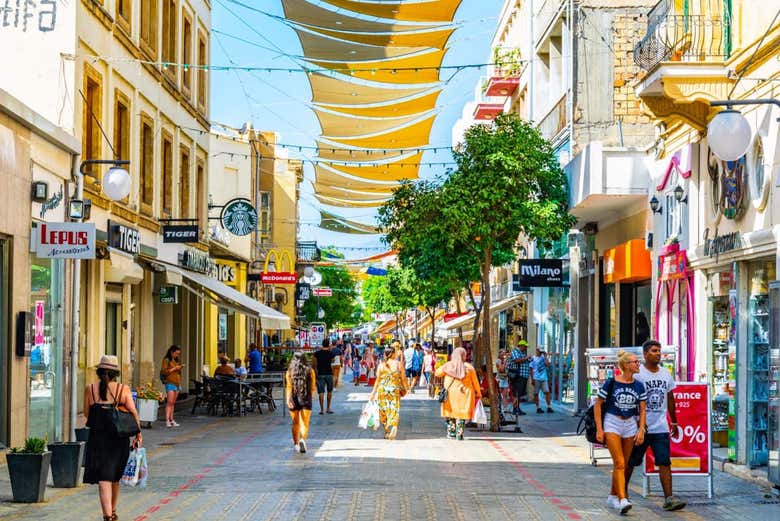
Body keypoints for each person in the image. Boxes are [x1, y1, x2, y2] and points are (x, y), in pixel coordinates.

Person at [626, 340, 686, 511]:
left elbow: (670, 397)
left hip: (661, 427)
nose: (658, 354)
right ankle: (622, 494)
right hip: (640, 428)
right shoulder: (638, 374)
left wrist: (673, 421)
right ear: (645, 354)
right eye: (654, 351)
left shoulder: (666, 374)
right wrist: (634, 423)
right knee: (632, 461)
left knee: (664, 462)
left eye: (659, 351)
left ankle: (669, 498)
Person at [84, 355, 142, 521]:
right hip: (118, 439)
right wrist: (138, 433)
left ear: (99, 371)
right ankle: (112, 512)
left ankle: (108, 515)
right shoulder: (122, 389)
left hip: (97, 438)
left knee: (104, 478)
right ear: (115, 373)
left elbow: (87, 413)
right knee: (114, 477)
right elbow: (133, 413)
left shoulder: (90, 389)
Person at [594, 349, 647, 515]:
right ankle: (623, 499)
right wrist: (599, 429)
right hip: (612, 422)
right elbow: (597, 405)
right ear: (626, 365)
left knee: (623, 464)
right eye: (635, 362)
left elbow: (643, 410)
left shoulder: (639, 385)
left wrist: (641, 430)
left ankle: (612, 496)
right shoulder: (611, 383)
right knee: (619, 463)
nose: (639, 364)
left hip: (630, 424)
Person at [435, 347, 481, 440]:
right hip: (465, 394)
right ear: (463, 356)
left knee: (451, 413)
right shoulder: (469, 367)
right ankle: (459, 434)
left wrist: (442, 366)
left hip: (450, 395)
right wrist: (479, 393)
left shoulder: (448, 366)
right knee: (461, 415)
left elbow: (437, 373)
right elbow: (475, 382)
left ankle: (451, 433)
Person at [370, 343, 408, 440]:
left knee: (383, 410)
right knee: (394, 409)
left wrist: (373, 393)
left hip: (382, 390)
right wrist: (406, 388)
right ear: (392, 354)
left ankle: (387, 431)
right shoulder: (399, 364)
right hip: (394, 389)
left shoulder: (381, 365)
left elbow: (377, 380)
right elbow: (403, 378)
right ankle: (394, 426)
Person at [286, 351, 317, 453]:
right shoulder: (310, 371)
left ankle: (295, 444)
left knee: (295, 422)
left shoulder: (290, 371)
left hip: (293, 398)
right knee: (304, 422)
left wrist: (288, 399)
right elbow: (313, 387)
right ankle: (302, 439)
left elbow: (289, 387)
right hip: (305, 398)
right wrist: (311, 397)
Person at [160, 345, 184, 428]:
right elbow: (164, 372)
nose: (177, 355)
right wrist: (174, 368)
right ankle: (167, 420)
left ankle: (171, 419)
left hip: (177, 383)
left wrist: (179, 368)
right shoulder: (166, 360)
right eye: (176, 353)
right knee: (169, 402)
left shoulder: (175, 360)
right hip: (170, 382)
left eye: (178, 354)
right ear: (172, 352)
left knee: (173, 403)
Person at [507, 342, 531, 415]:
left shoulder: (522, 353)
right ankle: (515, 409)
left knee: (519, 393)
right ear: (521, 346)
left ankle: (517, 408)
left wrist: (528, 359)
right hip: (517, 376)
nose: (526, 348)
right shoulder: (515, 352)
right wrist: (526, 358)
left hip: (523, 376)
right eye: (525, 346)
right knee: (516, 393)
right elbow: (516, 360)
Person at [313, 338, 335, 414]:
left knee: (321, 392)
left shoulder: (317, 353)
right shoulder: (331, 353)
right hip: (329, 373)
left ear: (322, 344)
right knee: (329, 391)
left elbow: (314, 364)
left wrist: (316, 373)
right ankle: (328, 408)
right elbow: (333, 361)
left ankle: (322, 410)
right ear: (328, 344)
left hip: (320, 373)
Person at [530, 348, 553, 414]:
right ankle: (538, 408)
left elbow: (547, 364)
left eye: (541, 351)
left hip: (544, 378)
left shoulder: (543, 358)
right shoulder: (533, 358)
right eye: (539, 351)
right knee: (536, 393)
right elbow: (531, 369)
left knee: (547, 392)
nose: (540, 352)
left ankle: (549, 407)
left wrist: (545, 356)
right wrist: (532, 379)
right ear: (536, 351)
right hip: (536, 378)